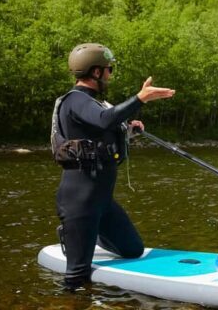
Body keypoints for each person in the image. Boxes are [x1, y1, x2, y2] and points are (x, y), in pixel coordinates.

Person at [50, 43, 175, 290]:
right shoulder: (75, 100)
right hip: (80, 203)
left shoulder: (94, 103)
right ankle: (75, 235)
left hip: (102, 202)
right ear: (96, 72)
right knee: (76, 278)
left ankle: (86, 234)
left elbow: (103, 129)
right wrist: (140, 98)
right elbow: (105, 119)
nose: (110, 75)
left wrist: (127, 128)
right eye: (110, 70)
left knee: (133, 249)